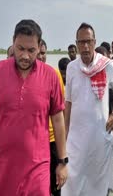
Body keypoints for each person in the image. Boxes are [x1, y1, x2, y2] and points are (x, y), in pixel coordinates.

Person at [0, 19, 67, 195]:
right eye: (20, 49)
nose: (25, 56)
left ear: (40, 46)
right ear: (13, 42)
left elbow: (58, 120)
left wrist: (63, 162)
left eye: (31, 50)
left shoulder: (50, 75)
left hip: (38, 164)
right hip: (3, 163)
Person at [62, 22, 113, 196]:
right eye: (81, 42)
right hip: (76, 139)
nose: (85, 46)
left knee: (97, 184)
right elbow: (68, 102)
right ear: (76, 44)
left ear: (94, 42)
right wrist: (65, 132)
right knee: (72, 184)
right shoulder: (71, 68)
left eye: (88, 41)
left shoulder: (105, 65)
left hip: (98, 136)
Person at [37, 39, 66, 196]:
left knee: (56, 184)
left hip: (53, 139)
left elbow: (60, 111)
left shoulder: (54, 74)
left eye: (44, 53)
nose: (41, 57)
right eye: (38, 53)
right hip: (36, 140)